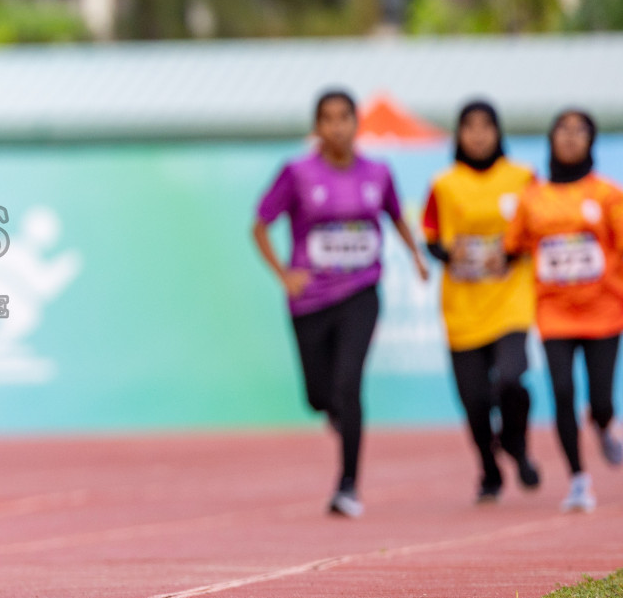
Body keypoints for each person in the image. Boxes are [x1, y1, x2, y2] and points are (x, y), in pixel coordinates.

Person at [252, 90, 429, 518]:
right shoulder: (296, 173)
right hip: (310, 300)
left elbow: (395, 217)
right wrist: (283, 274)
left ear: (356, 123)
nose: (337, 126)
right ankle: (332, 410)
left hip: (361, 293)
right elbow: (260, 224)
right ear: (317, 127)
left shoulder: (378, 173)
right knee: (318, 397)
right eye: (327, 119)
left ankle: (348, 485)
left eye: (344, 117)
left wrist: (417, 257)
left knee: (349, 385)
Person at [504, 109, 623, 513]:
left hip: (604, 311)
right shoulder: (532, 197)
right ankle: (578, 479)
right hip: (554, 314)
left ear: (592, 141)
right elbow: (512, 245)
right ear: (551, 138)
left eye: (580, 131)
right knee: (562, 393)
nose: (571, 138)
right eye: (563, 130)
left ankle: (605, 424)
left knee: (601, 400)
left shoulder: (607, 195)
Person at [422, 101, 541, 502]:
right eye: (468, 126)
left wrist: (507, 254)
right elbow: (431, 236)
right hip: (463, 306)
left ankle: (517, 444)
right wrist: (447, 254)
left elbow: (540, 227)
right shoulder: (444, 183)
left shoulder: (523, 177)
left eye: (486, 125)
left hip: (511, 299)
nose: (477, 134)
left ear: (498, 131)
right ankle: (489, 471)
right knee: (473, 401)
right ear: (458, 135)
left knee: (511, 378)